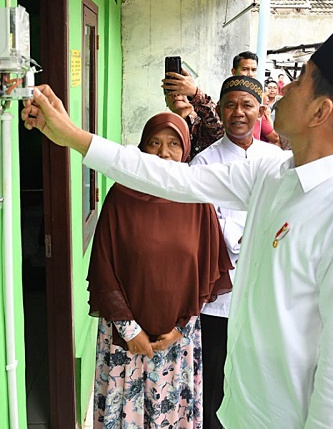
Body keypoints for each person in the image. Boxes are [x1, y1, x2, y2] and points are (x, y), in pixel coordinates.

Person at [22, 26, 333, 428]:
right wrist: (73, 137)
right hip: (240, 404)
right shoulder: (273, 173)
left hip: (286, 417)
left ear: (320, 112)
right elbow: (172, 179)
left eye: (299, 82)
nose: (280, 91)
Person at [87, 112, 232, 429]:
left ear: (186, 150)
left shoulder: (197, 200)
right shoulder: (121, 196)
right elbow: (103, 269)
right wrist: (130, 331)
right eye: (154, 143)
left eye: (173, 144)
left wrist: (180, 329)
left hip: (176, 342)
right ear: (142, 148)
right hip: (125, 342)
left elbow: (207, 272)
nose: (164, 153)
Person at [190, 75, 282, 429]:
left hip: (263, 288)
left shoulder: (276, 160)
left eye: (246, 105)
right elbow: (201, 221)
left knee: (255, 373)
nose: (238, 113)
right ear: (219, 110)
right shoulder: (205, 162)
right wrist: (242, 234)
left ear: (260, 111)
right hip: (219, 292)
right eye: (230, 105)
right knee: (216, 373)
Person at [162, 64, 224, 161]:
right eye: (170, 91)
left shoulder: (203, 125)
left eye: (181, 89)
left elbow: (219, 130)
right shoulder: (162, 128)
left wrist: (195, 93)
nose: (175, 94)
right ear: (166, 101)